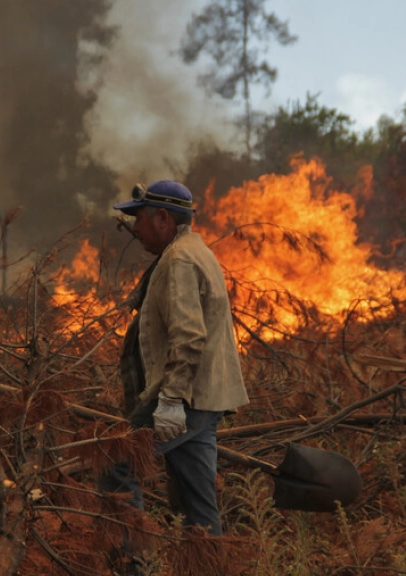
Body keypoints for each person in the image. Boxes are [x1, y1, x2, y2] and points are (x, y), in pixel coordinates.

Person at [103, 179, 249, 536]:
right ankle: (207, 563)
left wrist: (170, 401)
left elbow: (188, 336)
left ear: (163, 219)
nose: (135, 229)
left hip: (185, 398)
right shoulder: (194, 251)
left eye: (140, 219)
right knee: (197, 502)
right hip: (203, 398)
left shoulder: (180, 260)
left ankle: (131, 565)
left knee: (117, 462)